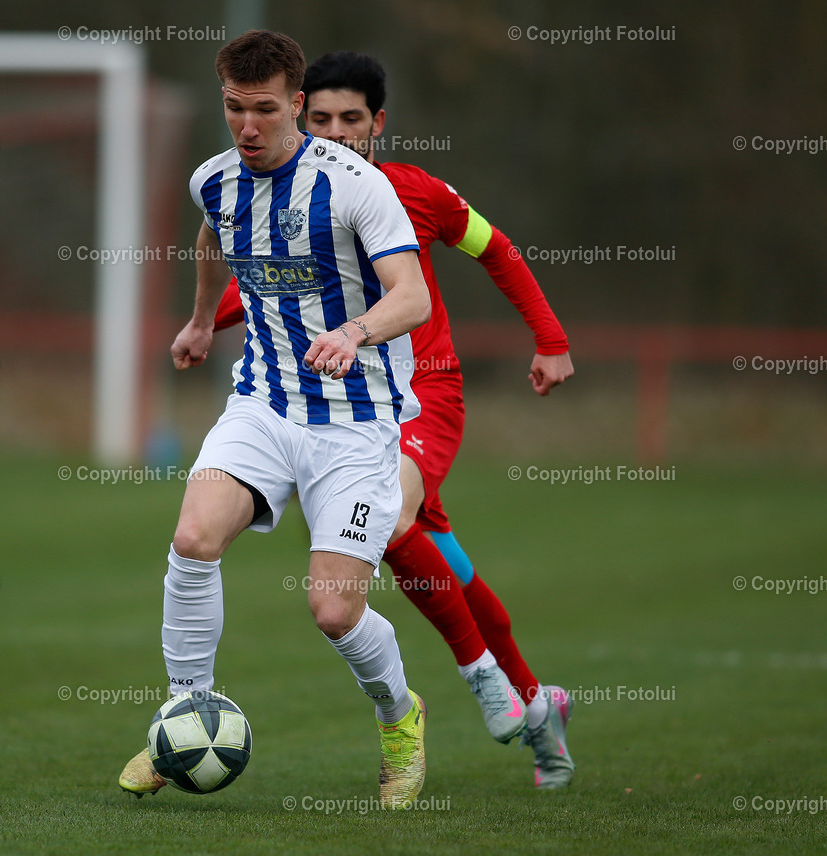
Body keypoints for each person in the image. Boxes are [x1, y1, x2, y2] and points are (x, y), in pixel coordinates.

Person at [211, 51, 576, 788]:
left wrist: (552, 340)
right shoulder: (288, 193)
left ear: (378, 124)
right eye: (321, 120)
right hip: (348, 406)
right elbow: (259, 287)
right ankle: (541, 706)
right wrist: (206, 325)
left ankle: (482, 682)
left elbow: (497, 249)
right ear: (300, 117)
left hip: (425, 391)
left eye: (353, 120)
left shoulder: (413, 194)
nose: (338, 134)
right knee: (449, 562)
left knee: (396, 517)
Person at [118, 31, 433, 809]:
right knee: (193, 538)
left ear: (296, 104)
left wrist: (356, 331)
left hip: (357, 421)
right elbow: (210, 240)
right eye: (233, 108)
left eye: (264, 110)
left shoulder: (354, 183)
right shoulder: (215, 181)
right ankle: (185, 714)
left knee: (333, 609)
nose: (247, 126)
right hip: (262, 403)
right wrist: (199, 324)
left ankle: (400, 717)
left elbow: (413, 295)